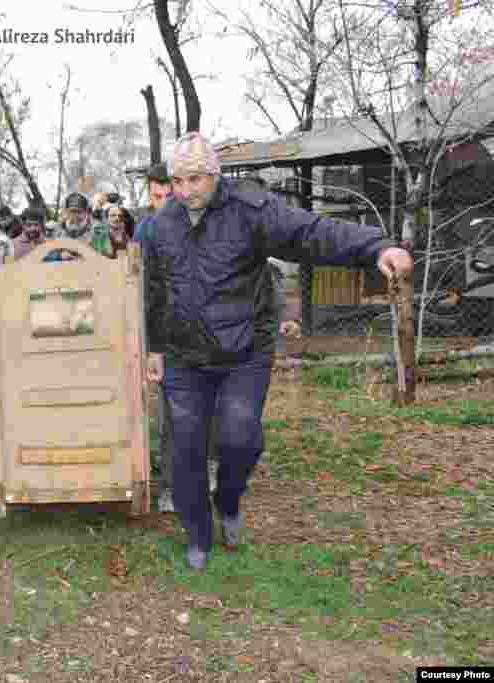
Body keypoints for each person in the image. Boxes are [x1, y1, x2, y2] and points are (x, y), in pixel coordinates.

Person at [142, 132, 413, 571]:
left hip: (244, 350)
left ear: (215, 175)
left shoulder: (250, 211)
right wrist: (154, 347)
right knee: (186, 450)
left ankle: (228, 500)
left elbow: (311, 232)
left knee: (241, 435)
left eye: (196, 179)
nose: (187, 190)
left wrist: (376, 247)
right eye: (178, 181)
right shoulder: (159, 226)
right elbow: (153, 291)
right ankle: (199, 534)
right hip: (184, 355)